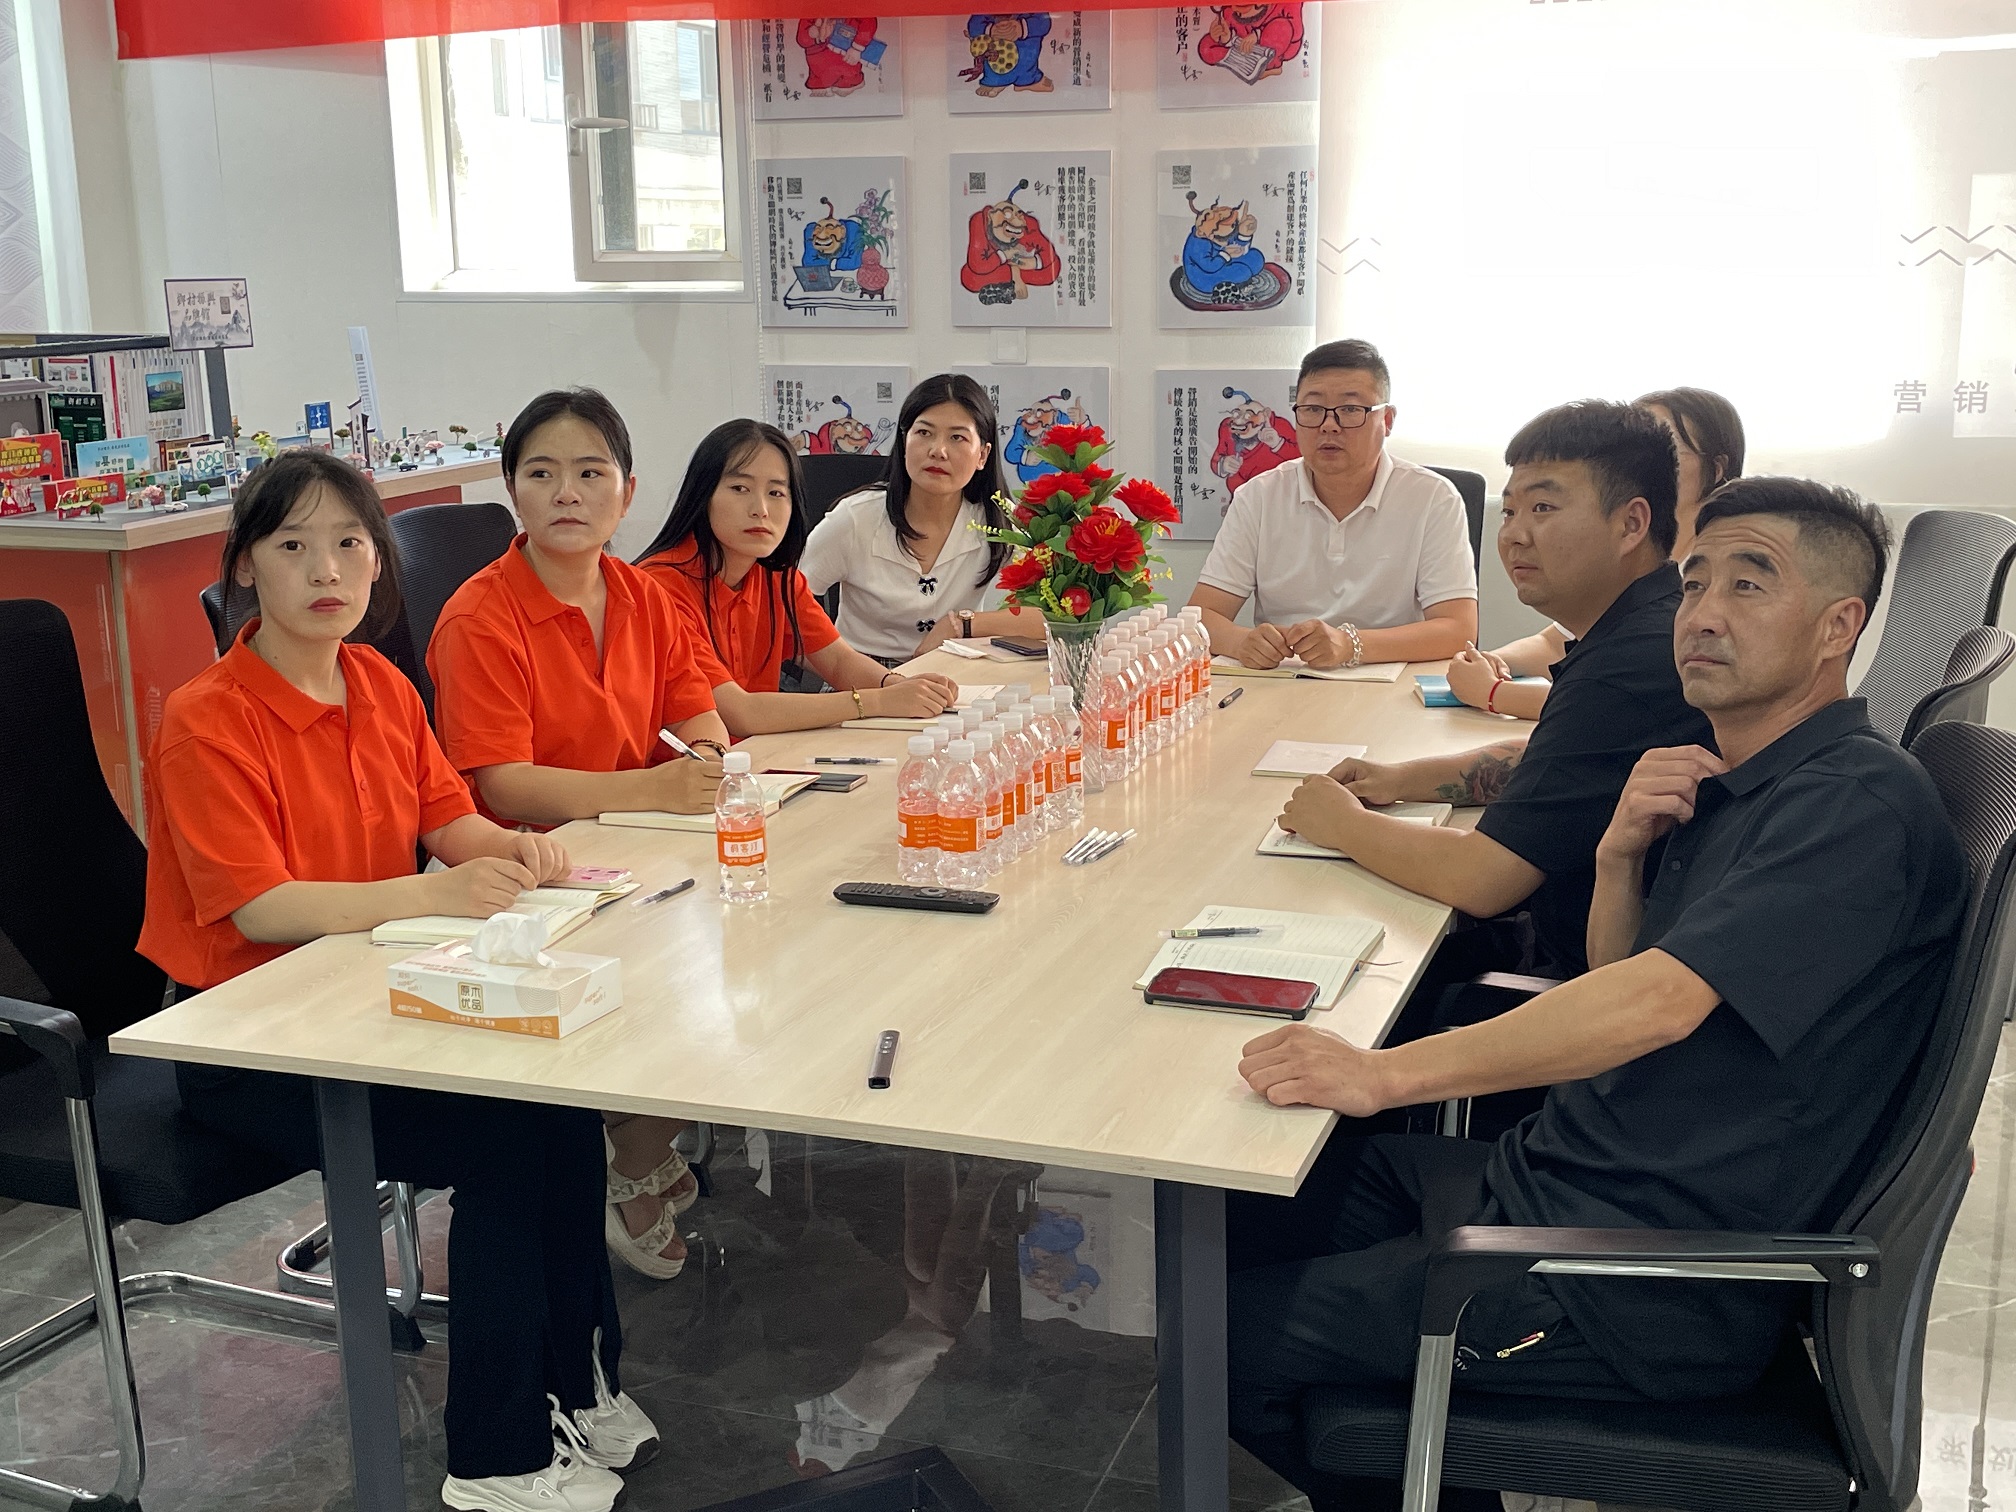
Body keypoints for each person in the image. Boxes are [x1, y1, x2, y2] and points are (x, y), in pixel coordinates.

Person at [1228, 477, 1965, 1505]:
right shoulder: (1740, 775)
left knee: (1216, 1339)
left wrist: (1382, 1074)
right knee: (1235, 1217)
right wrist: (1620, 859)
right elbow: (1625, 985)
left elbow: (1655, 1005)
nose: (1702, 613)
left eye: (1750, 585)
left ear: (1839, 626)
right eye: (1695, 582)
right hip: (1557, 1180)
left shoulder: (1854, 806)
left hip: (1631, 1283)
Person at [141, 451, 657, 1512]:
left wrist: (514, 851)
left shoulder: (378, 683)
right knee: (504, 1141)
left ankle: (576, 1380)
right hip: (248, 1042)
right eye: (293, 546)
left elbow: (445, 818)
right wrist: (432, 894)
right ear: (245, 567)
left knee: (562, 1108)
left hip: (368, 999)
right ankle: (497, 1460)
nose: (325, 569)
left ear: (379, 562)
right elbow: (261, 909)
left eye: (349, 544)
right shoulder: (208, 715)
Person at [427, 388, 730, 1283]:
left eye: (591, 473)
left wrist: (707, 760)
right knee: (697, 981)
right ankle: (629, 1152)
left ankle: (632, 1133)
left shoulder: (644, 596)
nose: (567, 493)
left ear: (627, 492)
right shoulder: (480, 616)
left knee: (753, 948)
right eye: (542, 473)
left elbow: (698, 711)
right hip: (527, 884)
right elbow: (501, 783)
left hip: (636, 857)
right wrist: (655, 788)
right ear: (512, 492)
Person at [1278, 400, 1712, 983]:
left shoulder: (1629, 666)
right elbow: (1559, 762)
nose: (1513, 535)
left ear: (1631, 524)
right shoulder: (1643, 624)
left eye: (1543, 508)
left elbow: (1482, 880)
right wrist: (1400, 779)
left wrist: (1342, 825)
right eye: (1509, 511)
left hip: (1578, 985)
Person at [636, 419, 960, 736]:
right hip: (685, 764)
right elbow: (738, 713)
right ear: (702, 495)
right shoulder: (659, 587)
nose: (761, 509)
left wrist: (902, 686)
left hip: (758, 754)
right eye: (740, 488)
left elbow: (836, 660)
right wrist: (876, 701)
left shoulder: (775, 576)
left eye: (776, 492)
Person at [1451, 387, 1746, 719]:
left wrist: (1494, 693)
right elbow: (1555, 643)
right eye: (1509, 512)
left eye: (1667, 448)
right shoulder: (1635, 564)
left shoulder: (1720, 569)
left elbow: (1617, 694)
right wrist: (1492, 661)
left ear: (1716, 470)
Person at [1188, 339, 1477, 671]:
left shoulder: (1433, 497)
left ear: (1387, 420)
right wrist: (1242, 642)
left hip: (1389, 684)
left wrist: (1350, 645)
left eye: (1350, 409)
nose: (1328, 425)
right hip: (1284, 681)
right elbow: (1201, 617)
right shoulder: (1258, 497)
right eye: (1313, 409)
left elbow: (1458, 629)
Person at [802, 372, 1043, 664]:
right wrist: (846, 667)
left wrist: (963, 624)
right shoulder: (854, 519)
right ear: (904, 441)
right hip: (860, 675)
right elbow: (785, 606)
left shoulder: (998, 520)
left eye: (957, 437)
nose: (938, 451)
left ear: (982, 455)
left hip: (953, 670)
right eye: (924, 433)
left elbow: (1055, 618)